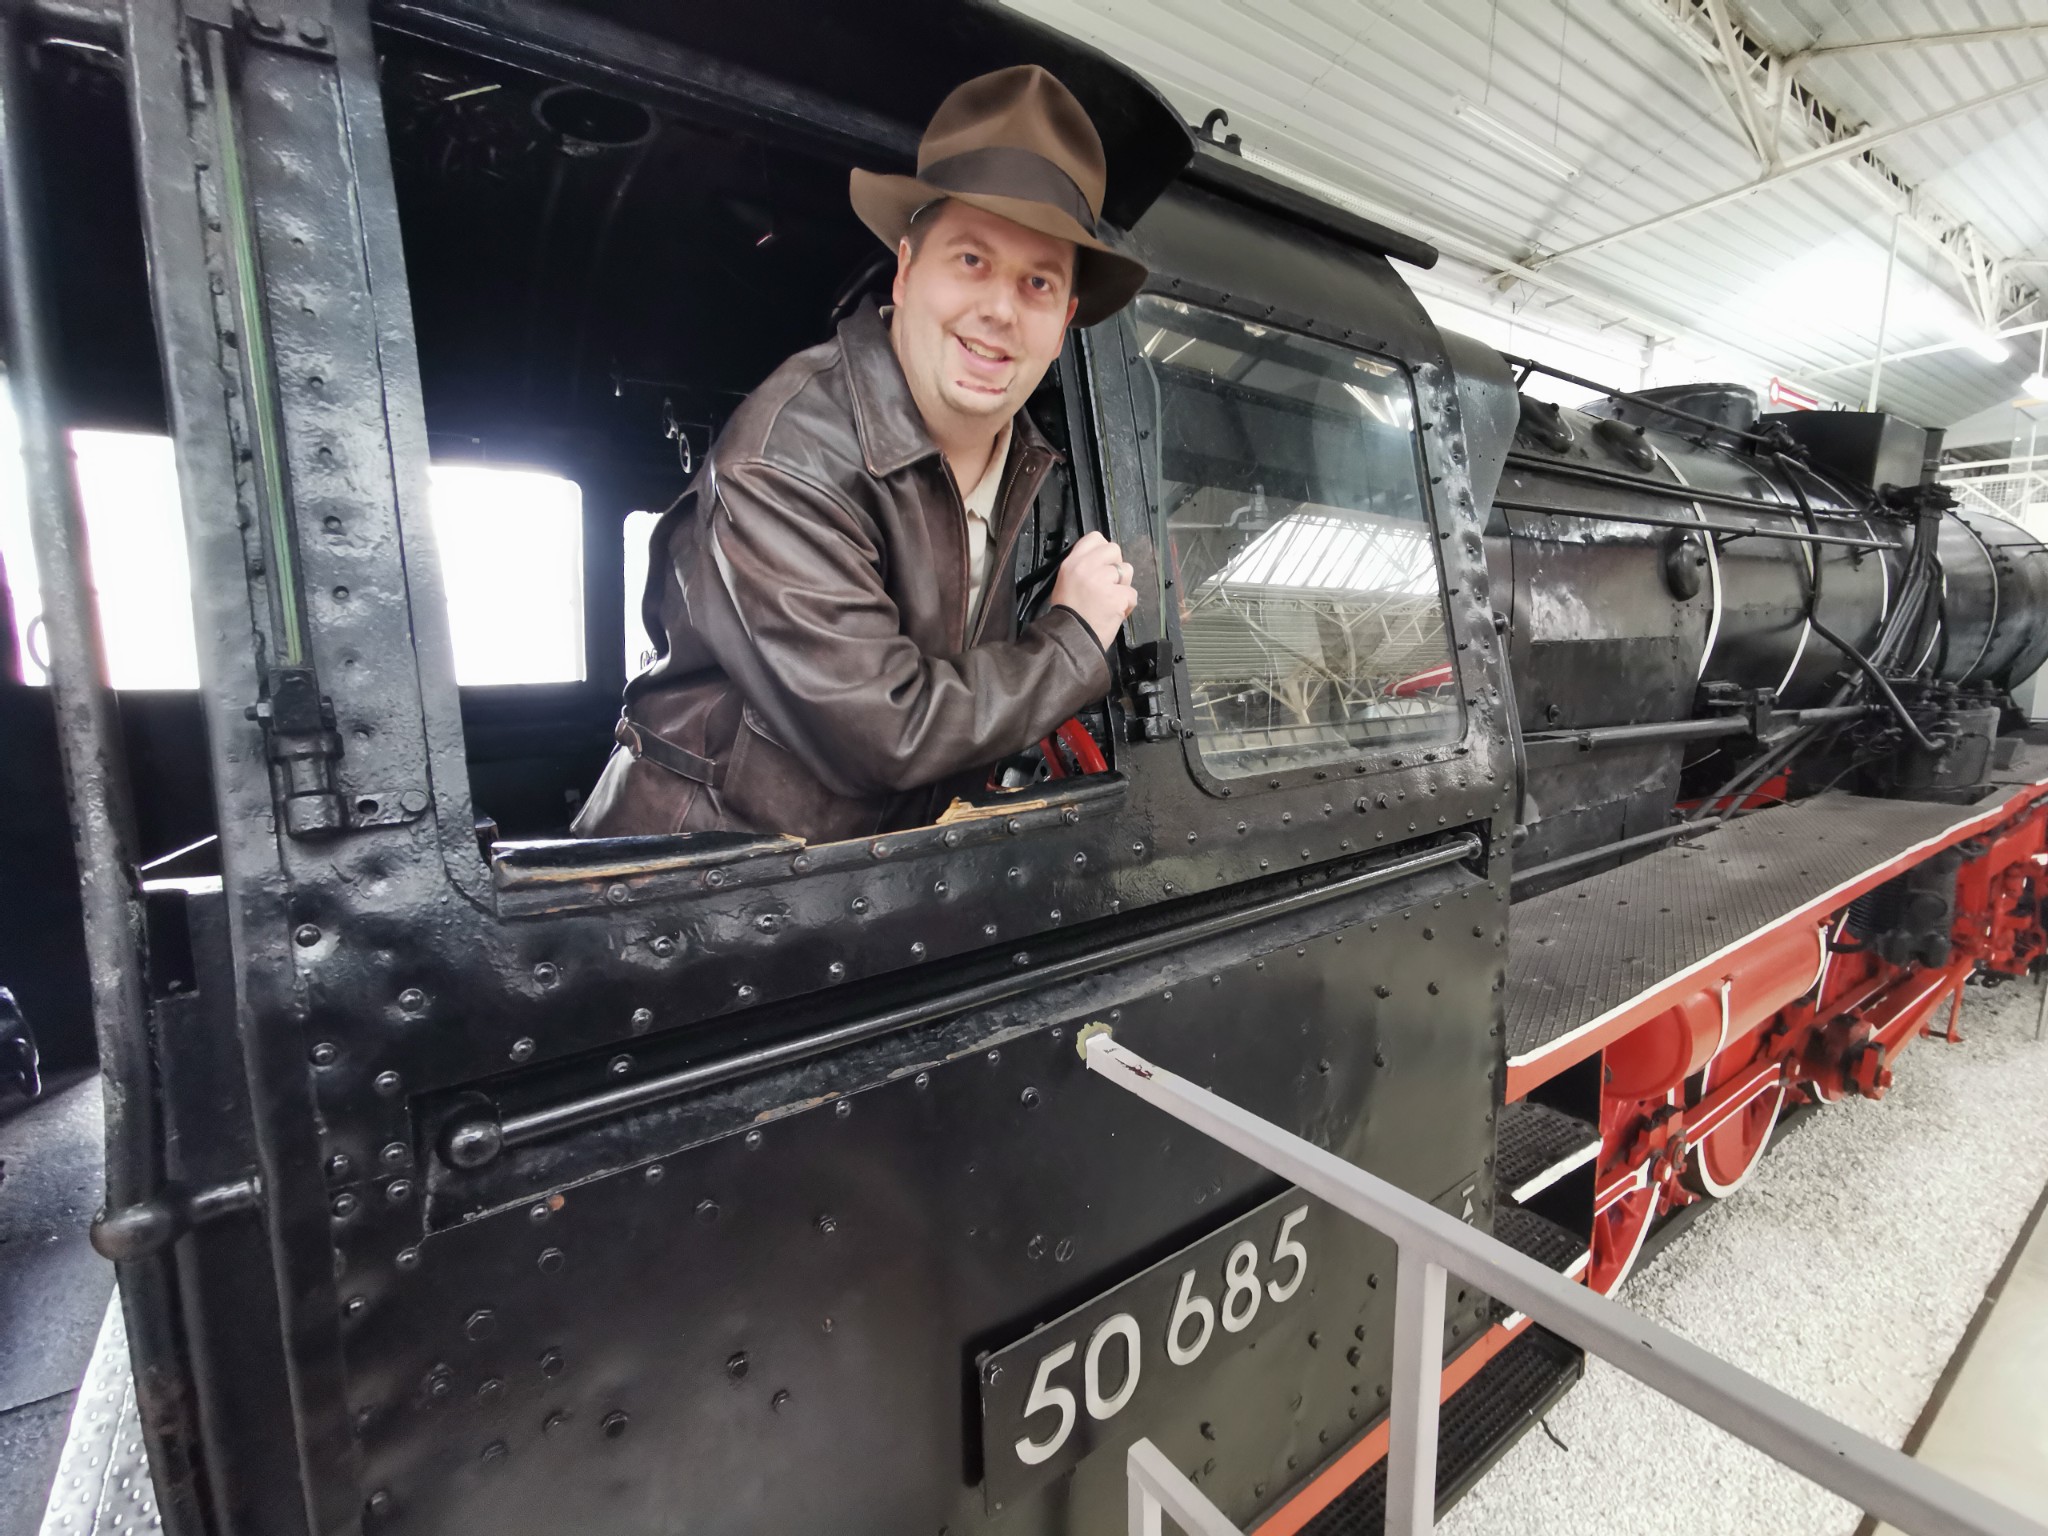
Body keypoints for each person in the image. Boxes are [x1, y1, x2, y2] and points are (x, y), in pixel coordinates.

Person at [573, 65, 1144, 843]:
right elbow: (887, 734)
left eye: (1038, 282)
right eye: (971, 260)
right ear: (906, 272)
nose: (1000, 310)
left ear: (1065, 319)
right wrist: (1073, 635)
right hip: (693, 872)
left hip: (851, 866)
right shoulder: (784, 458)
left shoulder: (1020, 457)